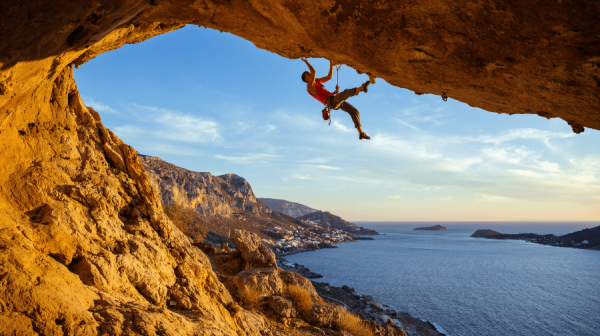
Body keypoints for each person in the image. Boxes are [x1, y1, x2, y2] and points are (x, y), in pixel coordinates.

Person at [301, 57, 373, 140]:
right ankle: (362, 87)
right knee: (345, 93)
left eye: (309, 73)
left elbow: (329, 77)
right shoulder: (309, 86)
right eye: (308, 74)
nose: (310, 73)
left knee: (355, 111)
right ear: (306, 79)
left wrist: (331, 64)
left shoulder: (317, 81)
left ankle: (361, 133)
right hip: (331, 102)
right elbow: (314, 72)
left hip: (334, 99)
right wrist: (306, 62)